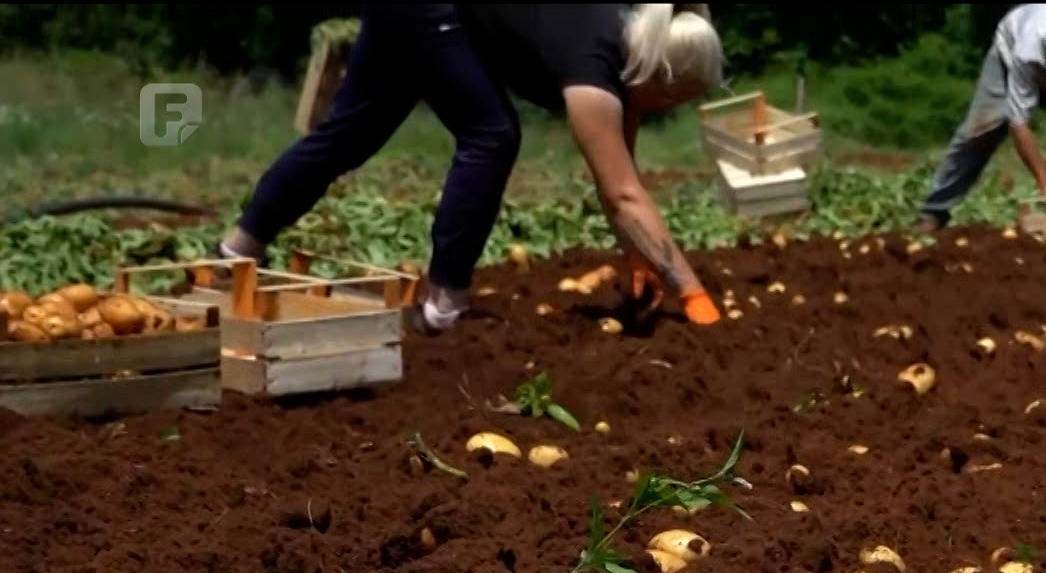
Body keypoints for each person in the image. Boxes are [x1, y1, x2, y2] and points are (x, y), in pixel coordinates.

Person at [218, 4, 723, 331]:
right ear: (662, 77)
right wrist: (692, 293)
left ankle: (238, 249)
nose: (669, 111)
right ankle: (444, 303)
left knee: (349, 134)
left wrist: (640, 259)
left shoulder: (630, 45)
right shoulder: (594, 71)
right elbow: (623, 195)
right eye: (675, 99)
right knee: (492, 135)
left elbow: (620, 178)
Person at [914, 4, 1046, 233]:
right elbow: (1019, 123)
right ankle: (933, 212)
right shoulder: (1028, 49)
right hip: (1010, 52)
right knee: (981, 130)